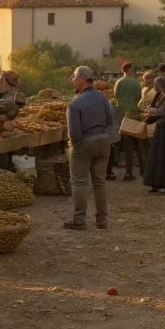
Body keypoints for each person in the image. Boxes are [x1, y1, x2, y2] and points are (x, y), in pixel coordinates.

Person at [64, 66, 114, 231]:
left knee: (79, 182)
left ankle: (79, 221)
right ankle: (102, 221)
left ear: (83, 80)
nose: (72, 81)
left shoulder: (74, 104)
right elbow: (109, 120)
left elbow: (74, 133)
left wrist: (75, 148)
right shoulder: (102, 98)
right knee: (99, 183)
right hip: (103, 140)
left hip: (84, 142)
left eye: (75, 78)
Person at [113, 62, 145, 181]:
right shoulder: (136, 82)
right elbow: (138, 97)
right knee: (139, 142)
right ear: (130, 69)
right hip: (135, 113)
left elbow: (116, 96)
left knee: (128, 145)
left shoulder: (119, 82)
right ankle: (143, 169)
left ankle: (129, 172)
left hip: (124, 115)